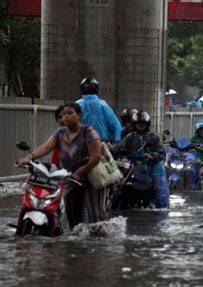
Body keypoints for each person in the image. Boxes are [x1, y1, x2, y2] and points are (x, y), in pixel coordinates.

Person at [19, 102, 105, 230]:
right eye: (63, 114)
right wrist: (29, 157)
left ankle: (100, 241)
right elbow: (46, 147)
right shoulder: (60, 133)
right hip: (69, 179)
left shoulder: (88, 132)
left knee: (95, 217)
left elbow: (95, 157)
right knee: (73, 217)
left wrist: (79, 173)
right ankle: (75, 242)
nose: (66, 116)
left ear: (79, 115)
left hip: (89, 179)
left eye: (70, 113)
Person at [113, 110, 169, 208]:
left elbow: (161, 153)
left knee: (160, 196)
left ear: (147, 124)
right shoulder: (129, 137)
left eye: (143, 123)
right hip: (136, 169)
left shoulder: (154, 137)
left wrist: (152, 155)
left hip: (154, 169)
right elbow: (118, 148)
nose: (141, 126)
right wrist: (106, 149)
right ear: (134, 124)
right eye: (138, 123)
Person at [76, 77, 122, 143]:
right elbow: (115, 125)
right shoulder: (103, 104)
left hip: (80, 142)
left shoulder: (77, 105)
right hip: (100, 142)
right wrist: (117, 140)